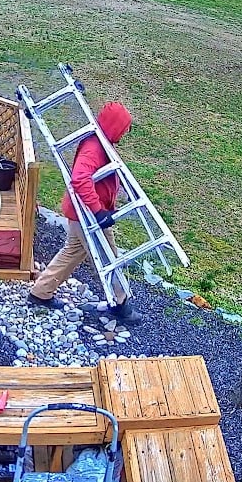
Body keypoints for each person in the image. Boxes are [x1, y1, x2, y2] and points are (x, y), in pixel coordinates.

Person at [28, 101, 144, 324]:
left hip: (81, 212)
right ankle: (121, 305)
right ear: (114, 126)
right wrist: (99, 211)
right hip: (86, 215)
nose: (125, 133)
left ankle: (40, 293)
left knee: (72, 252)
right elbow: (80, 179)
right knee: (109, 258)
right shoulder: (94, 148)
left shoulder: (102, 143)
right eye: (123, 128)